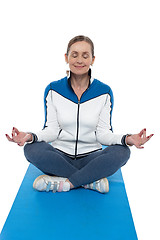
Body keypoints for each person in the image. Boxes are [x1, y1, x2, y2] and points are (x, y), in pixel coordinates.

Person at [6, 35, 154, 194]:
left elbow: (104, 134)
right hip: (60, 157)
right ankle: (88, 181)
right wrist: (29, 136)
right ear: (66, 57)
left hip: (92, 158)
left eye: (85, 55)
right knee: (32, 149)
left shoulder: (104, 92)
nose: (79, 60)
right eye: (74, 55)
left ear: (93, 59)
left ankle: (67, 182)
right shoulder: (52, 89)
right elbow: (51, 130)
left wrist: (128, 138)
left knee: (123, 151)